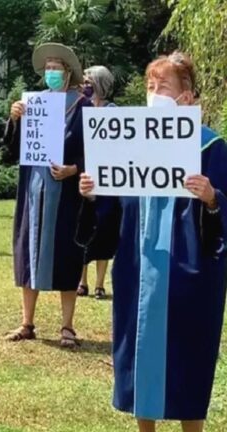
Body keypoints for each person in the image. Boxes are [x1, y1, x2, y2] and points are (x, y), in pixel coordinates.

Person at [78, 52, 227, 432]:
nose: (154, 93)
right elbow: (118, 209)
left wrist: (212, 198)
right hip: (138, 264)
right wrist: (95, 194)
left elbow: (222, 212)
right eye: (150, 86)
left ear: (186, 97)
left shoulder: (211, 147)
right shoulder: (132, 144)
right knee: (140, 354)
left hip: (190, 272)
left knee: (188, 361)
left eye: (163, 86)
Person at [3, 43, 91, 347]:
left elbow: (95, 150)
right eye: (48, 68)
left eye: (57, 67)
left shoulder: (82, 106)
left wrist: (74, 169)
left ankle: (67, 326)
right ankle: (27, 322)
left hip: (65, 194)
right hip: (33, 189)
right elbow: (12, 149)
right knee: (28, 250)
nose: (51, 72)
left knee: (66, 253)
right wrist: (15, 119)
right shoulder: (33, 103)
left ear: (68, 72)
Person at [77, 65, 119, 299]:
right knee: (83, 228)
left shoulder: (112, 111)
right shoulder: (80, 107)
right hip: (84, 177)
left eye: (89, 82)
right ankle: (81, 281)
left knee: (104, 230)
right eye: (84, 82)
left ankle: (100, 284)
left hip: (108, 180)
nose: (85, 86)